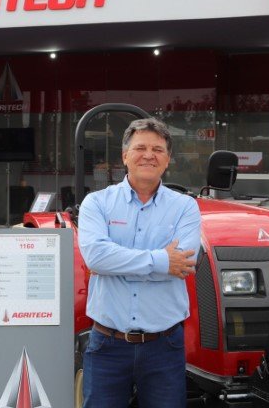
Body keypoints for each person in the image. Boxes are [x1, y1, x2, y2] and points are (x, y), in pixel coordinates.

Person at [78, 118, 202, 407]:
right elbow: (96, 257)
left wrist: (116, 263)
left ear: (167, 159)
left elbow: (184, 262)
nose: (149, 155)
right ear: (125, 156)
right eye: (140, 148)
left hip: (164, 346)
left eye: (158, 150)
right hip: (107, 345)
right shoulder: (96, 203)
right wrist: (162, 261)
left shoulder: (185, 207)